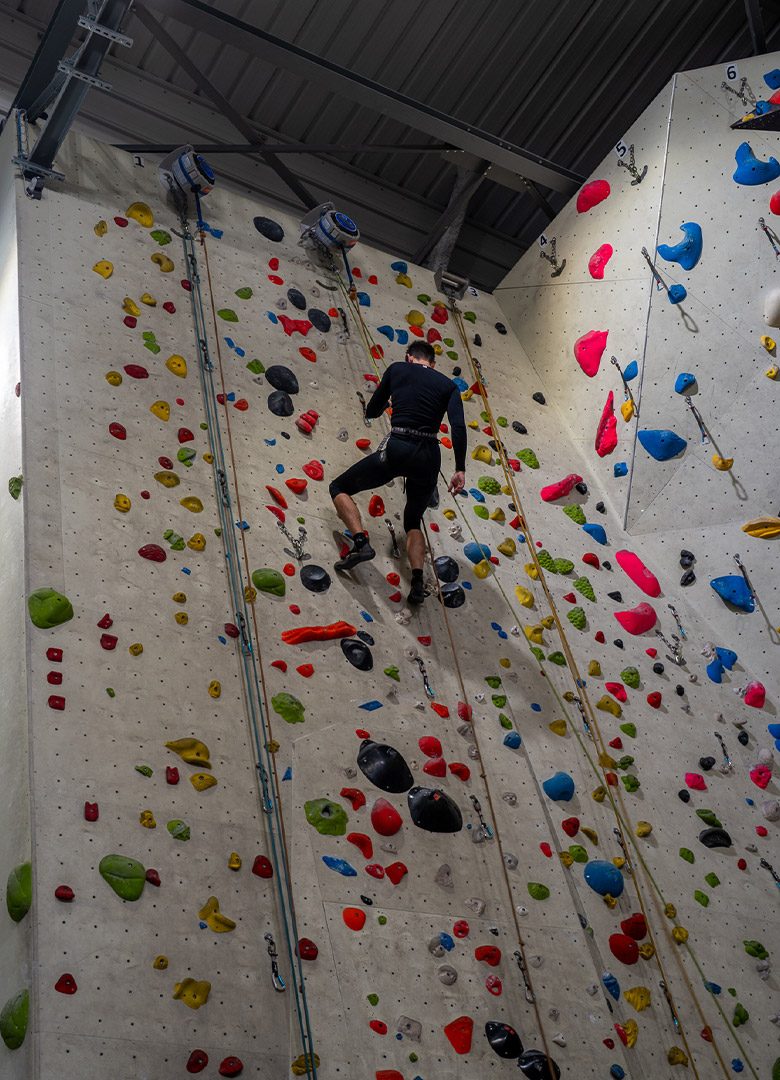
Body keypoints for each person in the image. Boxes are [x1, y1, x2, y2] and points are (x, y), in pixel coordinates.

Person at [329, 341, 467, 605]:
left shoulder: (398, 370)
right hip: (429, 456)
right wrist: (460, 468)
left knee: (339, 487)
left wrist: (391, 399)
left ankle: (361, 542)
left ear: (409, 358)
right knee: (413, 519)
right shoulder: (447, 385)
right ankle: (416, 581)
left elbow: (371, 410)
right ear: (433, 364)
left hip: (399, 446)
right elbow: (458, 428)